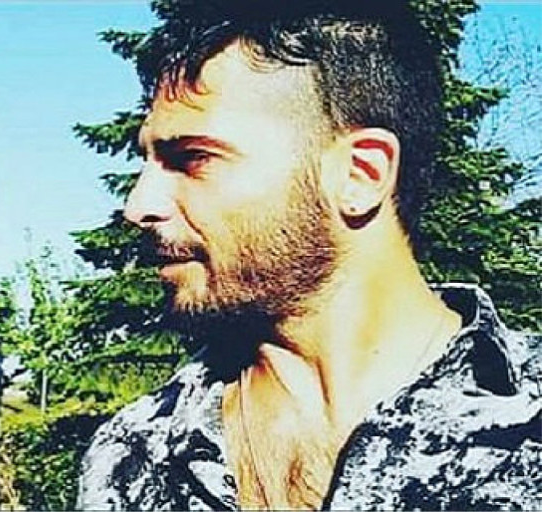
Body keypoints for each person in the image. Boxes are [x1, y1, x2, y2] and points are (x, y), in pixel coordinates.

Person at [78, 1, 540, 510]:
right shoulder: (134, 458)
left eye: (193, 158)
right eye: (146, 160)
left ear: (359, 175)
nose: (138, 206)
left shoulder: (527, 419)